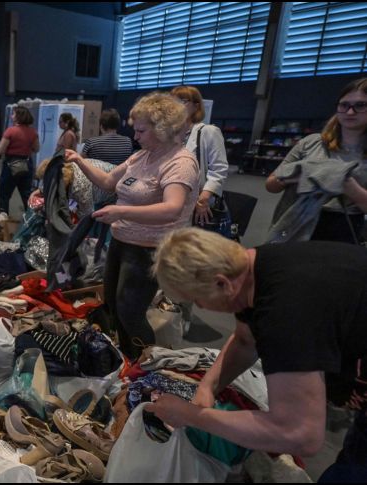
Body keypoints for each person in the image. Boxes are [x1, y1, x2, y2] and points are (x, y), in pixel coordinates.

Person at [150, 227, 367, 482]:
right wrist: (208, 386)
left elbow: (300, 434)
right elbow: (244, 340)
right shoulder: (256, 266)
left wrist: (192, 416)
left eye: (196, 299)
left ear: (222, 283)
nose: (199, 307)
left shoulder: (285, 313)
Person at [65, 92, 198, 359]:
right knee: (114, 304)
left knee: (130, 311)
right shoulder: (141, 157)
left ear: (163, 130)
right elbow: (107, 182)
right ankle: (128, 358)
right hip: (122, 242)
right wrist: (80, 161)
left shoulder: (180, 164)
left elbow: (172, 208)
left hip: (149, 249)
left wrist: (121, 211)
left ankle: (144, 364)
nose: (135, 136)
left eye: (141, 130)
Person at [265, 77, 367, 244]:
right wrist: (295, 176)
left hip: (341, 231)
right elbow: (271, 185)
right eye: (344, 105)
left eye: (360, 105)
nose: (350, 112)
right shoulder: (311, 143)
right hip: (293, 222)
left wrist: (348, 186)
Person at [171, 85, 230, 333]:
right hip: (172, 207)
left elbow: (219, 170)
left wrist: (203, 199)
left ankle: (183, 315)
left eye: (182, 100)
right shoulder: (170, 133)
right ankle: (169, 310)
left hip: (196, 208)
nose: (175, 104)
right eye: (172, 99)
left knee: (188, 265)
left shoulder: (207, 132)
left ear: (196, 106)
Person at [0, 106, 40, 215]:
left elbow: (0, 150)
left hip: (11, 165)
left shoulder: (10, 131)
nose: (11, 116)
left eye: (13, 114)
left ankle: (4, 219)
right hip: (27, 164)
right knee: (26, 194)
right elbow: (37, 148)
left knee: (3, 194)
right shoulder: (33, 132)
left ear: (18, 116)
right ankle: (31, 218)